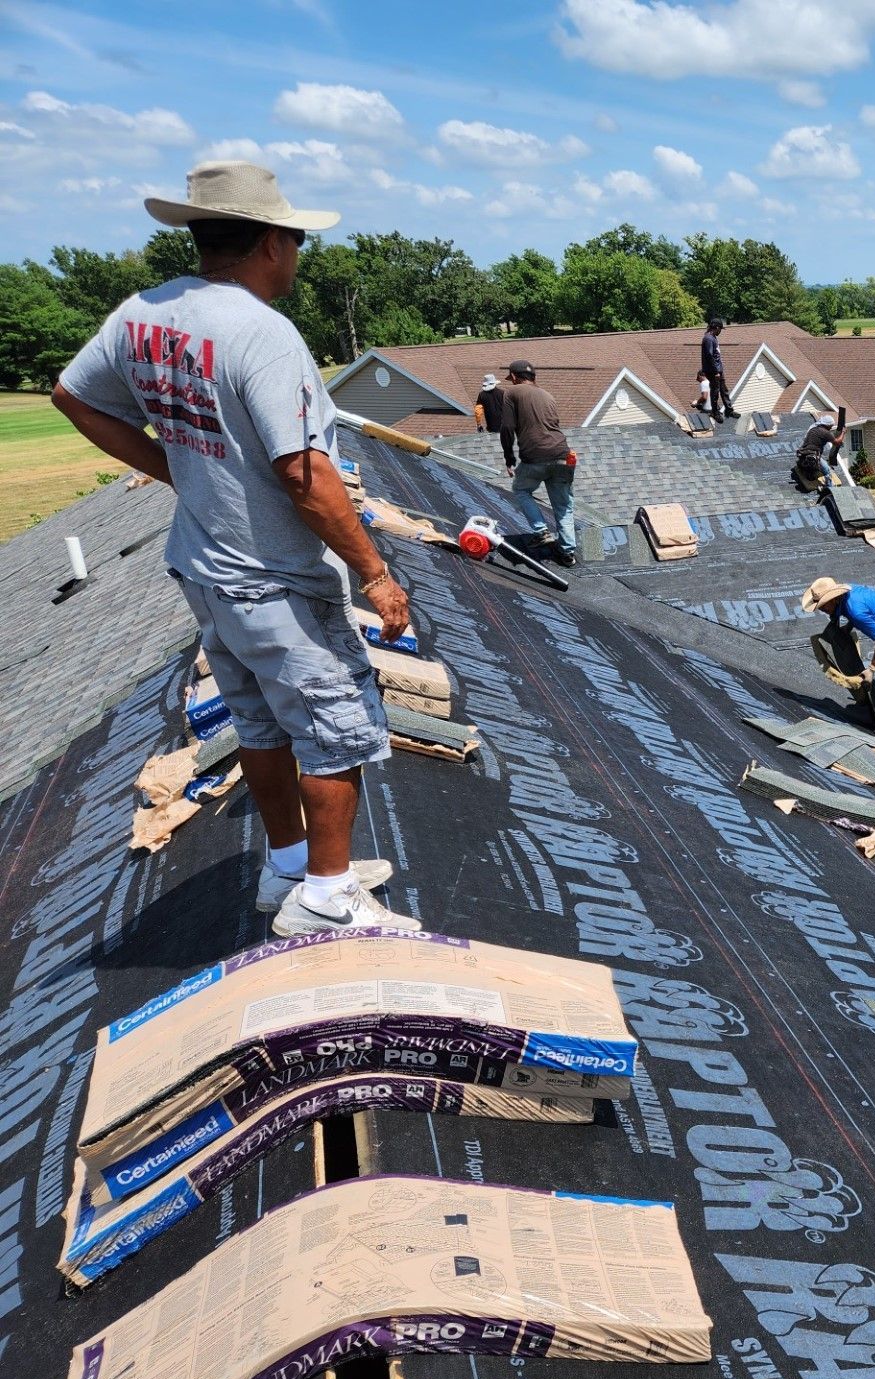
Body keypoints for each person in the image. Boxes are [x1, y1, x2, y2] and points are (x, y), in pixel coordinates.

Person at [51, 159, 413, 935]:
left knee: (259, 723)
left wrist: (175, 467)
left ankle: (289, 864)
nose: (297, 256)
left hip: (204, 567)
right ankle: (326, 898)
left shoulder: (142, 313)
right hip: (273, 576)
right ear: (272, 244)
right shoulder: (262, 334)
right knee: (334, 724)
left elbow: (71, 395)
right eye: (295, 242)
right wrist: (376, 574)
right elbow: (306, 476)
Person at [799, 577, 875, 740]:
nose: (822, 610)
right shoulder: (848, 593)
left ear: (834, 599)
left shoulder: (855, 610)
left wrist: (871, 669)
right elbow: (862, 610)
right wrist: (848, 627)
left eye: (823, 605)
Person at [499, 359, 577, 567]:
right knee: (563, 505)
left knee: (521, 490)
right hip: (563, 454)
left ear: (514, 377)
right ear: (534, 377)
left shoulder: (511, 393)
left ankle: (541, 531)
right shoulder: (548, 395)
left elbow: (506, 427)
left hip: (535, 457)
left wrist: (509, 458)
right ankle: (567, 552)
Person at [700, 316, 739, 420]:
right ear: (716, 327)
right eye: (720, 329)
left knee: (723, 390)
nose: (720, 331)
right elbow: (709, 355)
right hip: (713, 370)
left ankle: (729, 410)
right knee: (715, 391)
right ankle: (715, 412)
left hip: (718, 369)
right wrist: (716, 371)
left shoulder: (713, 337)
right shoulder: (708, 338)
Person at [795, 411, 843, 488]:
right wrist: (843, 432)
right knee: (827, 470)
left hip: (803, 454)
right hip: (812, 456)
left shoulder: (813, 429)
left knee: (814, 463)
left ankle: (803, 466)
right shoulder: (825, 433)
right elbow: (837, 442)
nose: (831, 428)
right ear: (827, 425)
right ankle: (830, 489)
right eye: (830, 426)